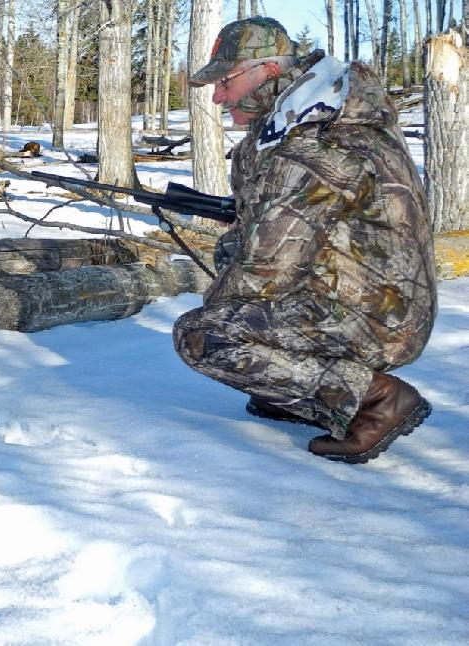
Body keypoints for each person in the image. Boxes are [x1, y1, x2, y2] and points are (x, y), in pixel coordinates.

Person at [172, 17, 437, 463]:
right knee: (230, 263)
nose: (218, 96)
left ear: (270, 72)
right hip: (366, 298)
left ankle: (375, 399)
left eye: (225, 81)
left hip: (378, 318)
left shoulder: (317, 145)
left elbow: (267, 269)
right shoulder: (299, 125)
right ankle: (294, 391)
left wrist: (219, 309)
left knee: (202, 336)